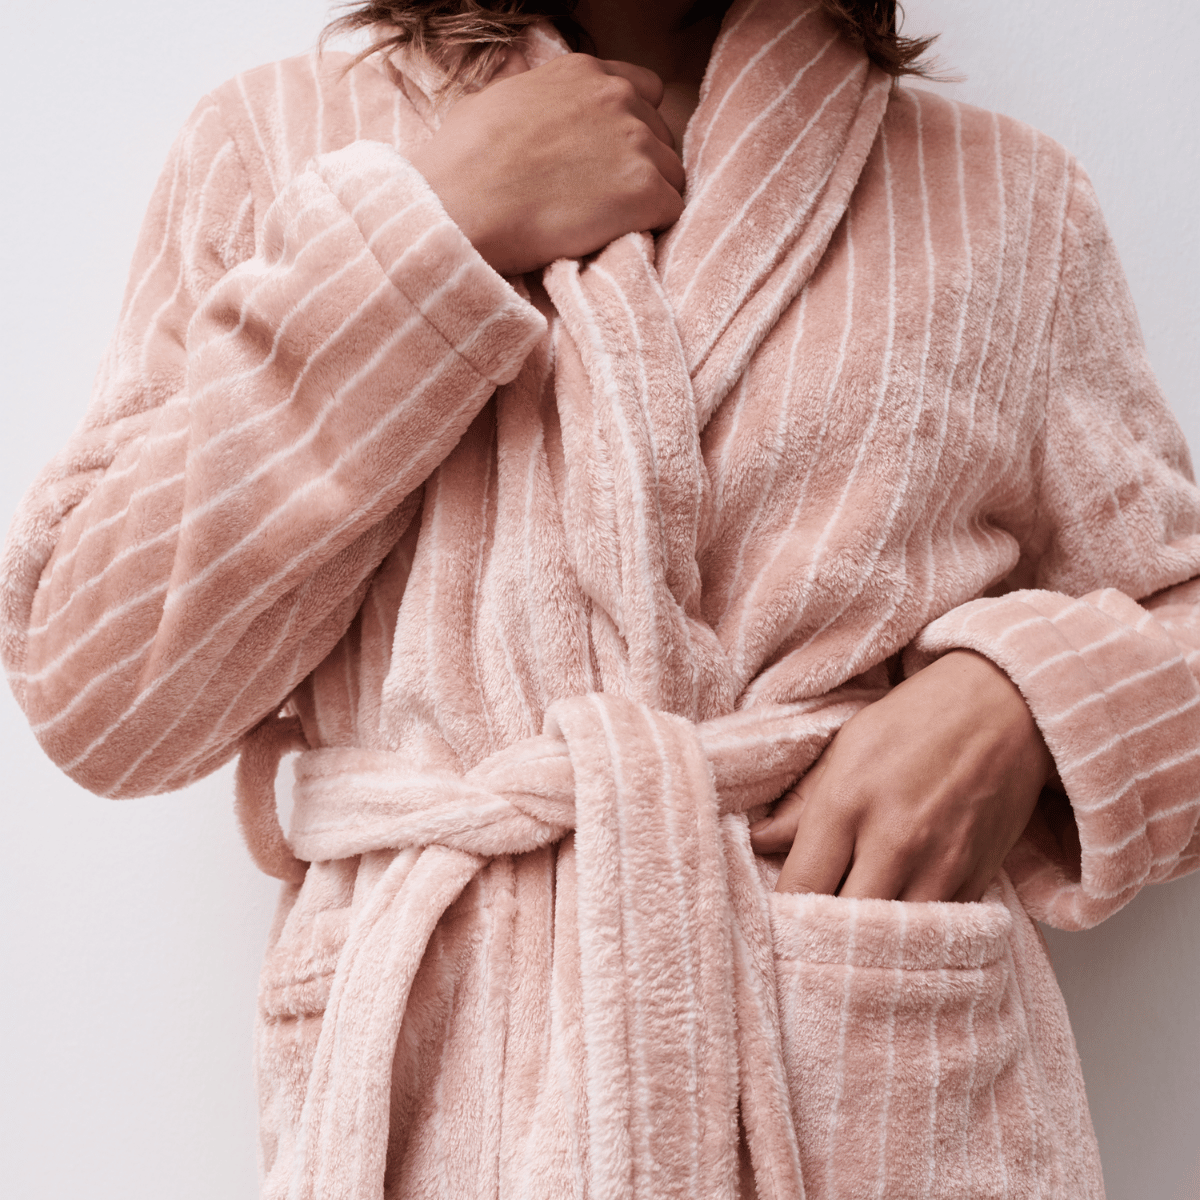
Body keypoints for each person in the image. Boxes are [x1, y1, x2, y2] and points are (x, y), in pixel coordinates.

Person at [4, 0, 1199, 1195]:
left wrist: (1021, 704)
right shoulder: (272, 142)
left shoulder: (1006, 197)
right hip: (445, 1103)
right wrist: (427, 236)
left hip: (872, 1107)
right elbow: (95, 688)